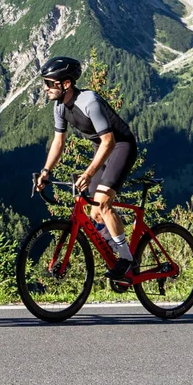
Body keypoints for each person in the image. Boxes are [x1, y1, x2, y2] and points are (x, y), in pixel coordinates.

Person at [34, 56, 138, 281]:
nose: (45, 88)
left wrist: (89, 173)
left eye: (49, 83)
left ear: (66, 84)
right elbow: (59, 143)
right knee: (95, 212)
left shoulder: (90, 101)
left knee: (103, 202)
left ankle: (127, 260)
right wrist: (45, 171)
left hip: (121, 145)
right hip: (102, 148)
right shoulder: (60, 106)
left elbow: (109, 141)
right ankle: (120, 251)